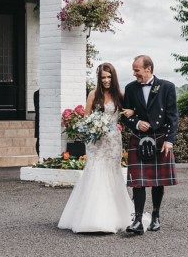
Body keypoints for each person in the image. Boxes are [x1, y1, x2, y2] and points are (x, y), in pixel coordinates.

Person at [58, 62, 136, 233]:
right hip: (96, 142)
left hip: (113, 141)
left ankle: (115, 216)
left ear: (113, 77)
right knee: (95, 171)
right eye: (103, 77)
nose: (106, 80)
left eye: (109, 77)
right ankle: (91, 217)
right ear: (99, 79)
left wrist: (131, 112)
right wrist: (94, 125)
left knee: (112, 173)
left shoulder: (119, 96)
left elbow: (131, 111)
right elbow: (86, 119)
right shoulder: (93, 95)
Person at [122, 55, 179, 235]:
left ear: (148, 69)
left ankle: (155, 216)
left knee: (156, 181)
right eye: (133, 69)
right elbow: (126, 115)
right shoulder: (130, 88)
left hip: (160, 136)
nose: (134, 73)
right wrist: (137, 123)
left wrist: (170, 140)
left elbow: (172, 116)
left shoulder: (166, 87)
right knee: (138, 182)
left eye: (137, 70)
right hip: (139, 137)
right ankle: (138, 220)